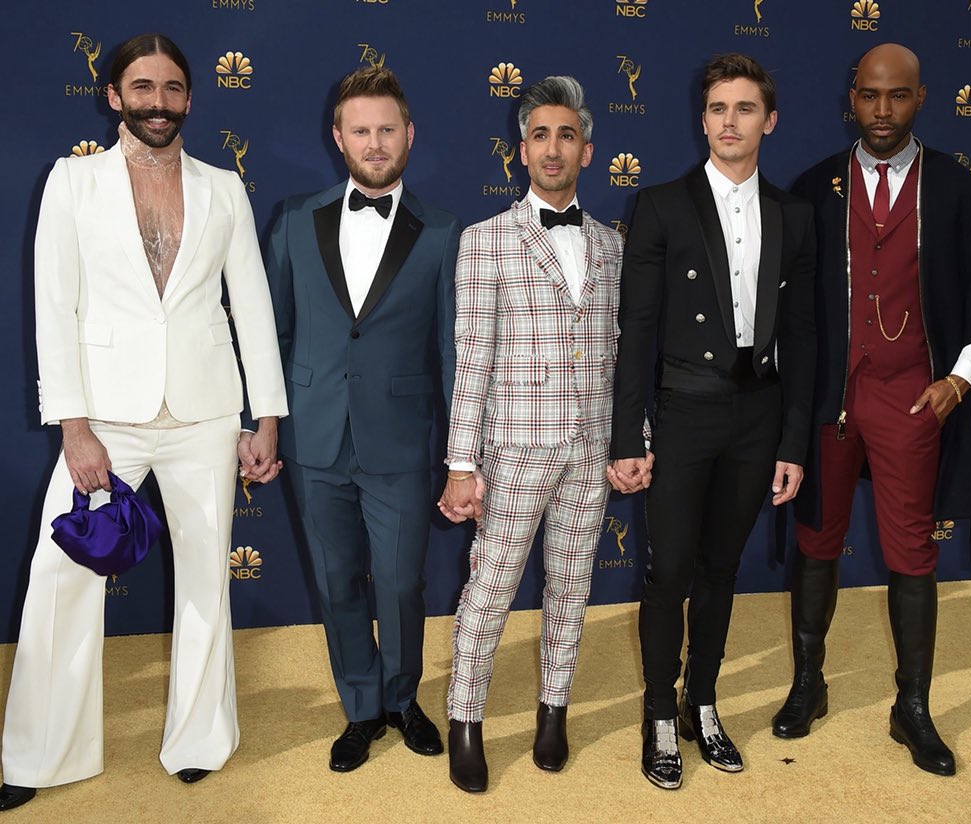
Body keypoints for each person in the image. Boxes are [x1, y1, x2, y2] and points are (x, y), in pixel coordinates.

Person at [0, 33, 287, 811]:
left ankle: (199, 738)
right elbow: (53, 308)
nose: (157, 101)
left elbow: (251, 305)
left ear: (189, 98)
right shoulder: (73, 181)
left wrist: (266, 418)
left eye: (170, 87)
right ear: (114, 96)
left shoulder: (224, 187)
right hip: (105, 417)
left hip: (205, 412)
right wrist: (73, 426)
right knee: (60, 578)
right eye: (141, 86)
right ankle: (41, 753)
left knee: (205, 580)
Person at [773, 43, 971, 777]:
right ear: (851, 97)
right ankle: (808, 685)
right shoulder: (816, 186)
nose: (883, 111)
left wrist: (959, 380)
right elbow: (783, 301)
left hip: (912, 396)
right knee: (816, 539)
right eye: (870, 96)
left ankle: (911, 707)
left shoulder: (956, 189)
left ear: (921, 99)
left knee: (913, 551)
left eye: (898, 97)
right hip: (828, 398)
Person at [608, 53, 816, 789]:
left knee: (721, 569)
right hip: (684, 410)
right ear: (703, 120)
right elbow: (634, 330)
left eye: (746, 108)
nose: (731, 122)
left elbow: (805, 336)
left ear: (770, 119)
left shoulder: (796, 214)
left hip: (758, 415)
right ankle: (659, 712)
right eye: (719, 109)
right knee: (668, 573)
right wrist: (627, 435)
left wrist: (794, 439)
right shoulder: (660, 205)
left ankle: (703, 702)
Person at [265, 67, 459, 773]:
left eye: (387, 130)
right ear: (337, 136)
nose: (374, 144)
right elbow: (270, 338)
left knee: (402, 581)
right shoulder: (291, 219)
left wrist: (459, 453)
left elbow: (450, 349)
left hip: (400, 440)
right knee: (338, 581)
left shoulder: (442, 233)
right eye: (360, 130)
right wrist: (263, 423)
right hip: (314, 437)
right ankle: (360, 708)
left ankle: (403, 698)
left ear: (409, 135)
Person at [438, 76, 623, 793]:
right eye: (540, 135)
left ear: (587, 149)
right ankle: (466, 719)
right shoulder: (485, 241)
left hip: (591, 446)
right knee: (490, 589)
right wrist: (462, 462)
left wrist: (630, 438)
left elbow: (617, 351)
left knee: (572, 586)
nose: (554, 148)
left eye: (566, 135)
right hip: (514, 447)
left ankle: (554, 710)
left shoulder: (610, 245)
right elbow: (473, 356)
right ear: (522, 151)